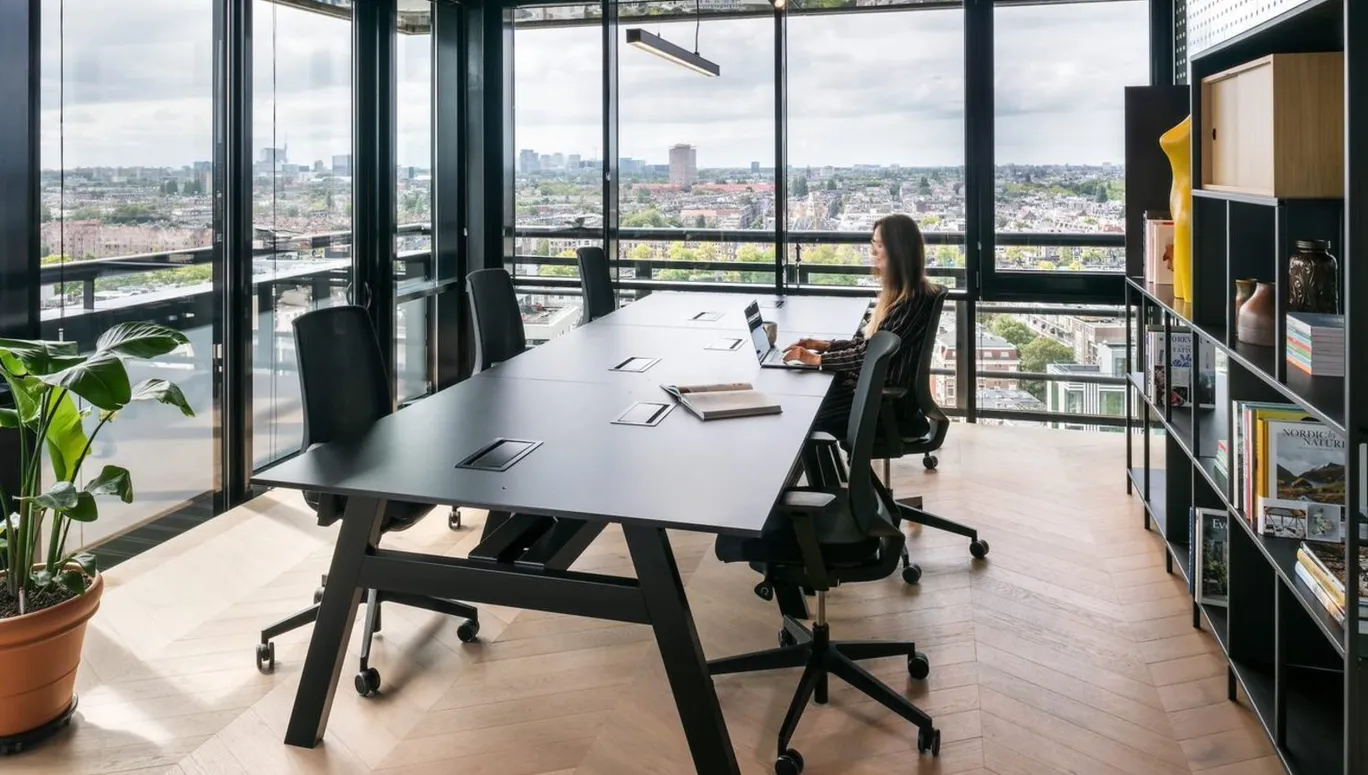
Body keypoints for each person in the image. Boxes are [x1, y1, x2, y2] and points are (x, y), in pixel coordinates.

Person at [782, 213, 940, 437]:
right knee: (806, 404)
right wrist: (825, 345)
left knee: (805, 414)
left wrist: (816, 359)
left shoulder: (912, 301)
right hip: (873, 390)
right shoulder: (905, 295)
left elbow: (870, 355)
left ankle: (848, 473)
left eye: (879, 245)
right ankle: (844, 472)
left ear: (898, 251)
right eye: (873, 244)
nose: (873, 251)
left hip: (883, 402)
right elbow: (872, 346)